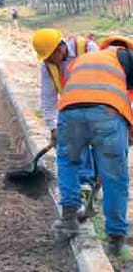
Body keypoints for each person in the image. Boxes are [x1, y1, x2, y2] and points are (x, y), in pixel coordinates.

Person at [53, 36, 133, 256]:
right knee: (115, 176)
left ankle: (69, 218)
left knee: (68, 162)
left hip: (69, 111)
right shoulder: (127, 56)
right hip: (107, 114)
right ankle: (116, 237)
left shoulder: (88, 57)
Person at [31, 28, 99, 215]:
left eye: (48, 56)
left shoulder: (87, 48)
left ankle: (90, 184)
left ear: (59, 49)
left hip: (100, 104)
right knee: (75, 142)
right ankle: (84, 185)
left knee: (98, 149)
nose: (46, 60)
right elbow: (48, 99)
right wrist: (53, 128)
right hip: (72, 109)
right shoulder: (48, 66)